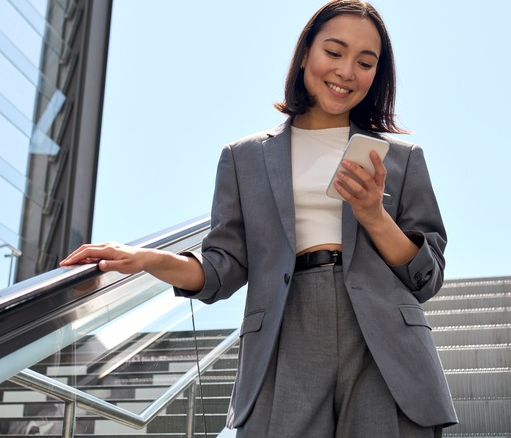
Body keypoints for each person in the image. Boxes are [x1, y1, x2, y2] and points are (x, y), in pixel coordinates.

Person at [60, 0, 458, 436]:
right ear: (306, 52)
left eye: (365, 62)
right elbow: (222, 269)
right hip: (284, 335)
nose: (347, 71)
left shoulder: (401, 159)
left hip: (385, 344)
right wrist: (151, 260)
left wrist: (374, 217)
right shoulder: (244, 158)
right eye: (334, 51)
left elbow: (427, 278)